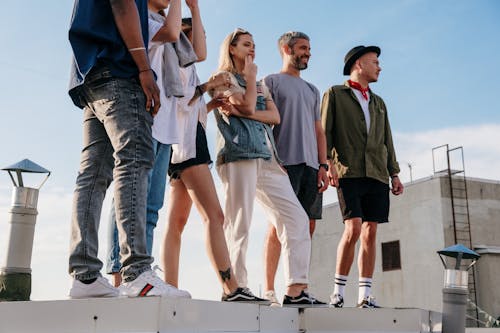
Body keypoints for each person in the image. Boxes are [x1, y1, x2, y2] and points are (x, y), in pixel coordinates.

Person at [68, 0, 183, 298]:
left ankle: (85, 277)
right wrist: (144, 68)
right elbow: (122, 4)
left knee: (93, 174)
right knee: (133, 161)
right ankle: (137, 273)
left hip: (91, 74)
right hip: (120, 70)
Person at [211, 28, 326, 307]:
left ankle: (296, 290)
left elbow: (273, 117)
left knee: (296, 218)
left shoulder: (260, 84)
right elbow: (249, 103)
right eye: (246, 44)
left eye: (254, 44)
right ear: (231, 48)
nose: (252, 49)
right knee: (240, 221)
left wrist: (241, 108)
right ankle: (235, 287)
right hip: (239, 153)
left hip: (268, 157)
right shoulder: (223, 79)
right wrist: (249, 84)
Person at [159, 9, 266, 303]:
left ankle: (170, 286)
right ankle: (231, 288)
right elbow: (177, 100)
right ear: (186, 35)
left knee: (177, 222)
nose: (204, 40)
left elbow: (185, 109)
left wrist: (208, 103)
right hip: (189, 145)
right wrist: (207, 88)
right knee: (214, 216)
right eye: (200, 35)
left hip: (181, 142)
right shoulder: (178, 59)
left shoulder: (185, 64)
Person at [105, 0, 186, 291]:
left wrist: (195, 8)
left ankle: (143, 274)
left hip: (166, 126)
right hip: (144, 115)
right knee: (129, 200)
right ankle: (121, 273)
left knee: (151, 207)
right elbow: (171, 33)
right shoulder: (141, 17)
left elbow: (197, 52)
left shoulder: (163, 20)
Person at [320, 45, 404, 308]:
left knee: (370, 232)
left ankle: (365, 296)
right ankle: (337, 292)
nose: (379, 67)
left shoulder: (379, 103)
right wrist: (327, 163)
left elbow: (387, 139)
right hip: (349, 170)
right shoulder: (335, 94)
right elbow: (325, 131)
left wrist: (395, 172)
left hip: (377, 172)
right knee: (353, 228)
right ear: (359, 64)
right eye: (374, 62)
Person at [262, 31, 328, 305]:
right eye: (303, 48)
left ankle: (299, 288)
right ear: (286, 49)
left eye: (309, 48)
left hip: (311, 166)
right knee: (278, 226)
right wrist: (274, 161)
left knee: (306, 227)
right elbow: (264, 125)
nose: (308, 52)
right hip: (284, 164)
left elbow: (318, 130)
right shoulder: (271, 82)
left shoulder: (313, 90)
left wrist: (323, 165)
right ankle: (268, 289)